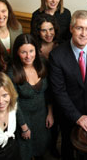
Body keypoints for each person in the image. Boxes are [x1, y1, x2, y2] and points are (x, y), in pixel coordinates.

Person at [49, 10, 87, 159]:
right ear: (71, 29)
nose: (84, 33)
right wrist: (77, 116)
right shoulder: (57, 56)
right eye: (79, 28)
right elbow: (59, 92)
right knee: (68, 148)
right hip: (69, 114)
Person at [8, 33, 53, 160]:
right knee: (26, 151)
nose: (28, 56)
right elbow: (13, 104)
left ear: (36, 50)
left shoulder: (42, 64)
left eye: (31, 51)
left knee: (41, 147)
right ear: (17, 52)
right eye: (23, 52)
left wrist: (50, 113)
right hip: (24, 118)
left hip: (42, 116)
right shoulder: (12, 72)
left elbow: (49, 92)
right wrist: (23, 127)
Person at [31, 13, 61, 158]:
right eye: (44, 30)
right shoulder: (34, 50)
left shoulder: (61, 46)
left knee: (57, 120)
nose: (48, 34)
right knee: (42, 121)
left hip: (58, 90)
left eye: (51, 29)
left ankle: (54, 145)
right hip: (41, 90)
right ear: (38, 32)